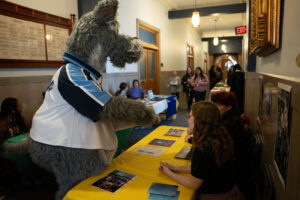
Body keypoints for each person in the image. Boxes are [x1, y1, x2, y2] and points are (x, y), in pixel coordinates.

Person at [159, 101, 244, 200]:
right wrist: (174, 168)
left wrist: (168, 172)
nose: (187, 120)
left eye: (191, 117)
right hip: (231, 192)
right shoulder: (219, 136)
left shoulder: (203, 147)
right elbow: (202, 169)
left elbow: (193, 184)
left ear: (199, 121)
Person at [211, 91, 256, 200]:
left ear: (228, 107)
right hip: (238, 165)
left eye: (219, 105)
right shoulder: (233, 118)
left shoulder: (229, 123)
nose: (215, 108)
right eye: (214, 105)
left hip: (236, 170)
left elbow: (214, 144)